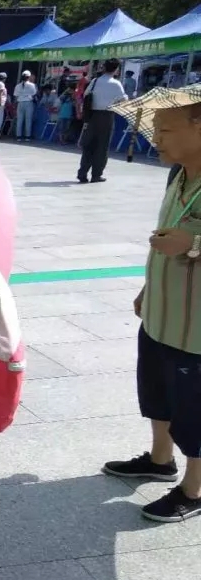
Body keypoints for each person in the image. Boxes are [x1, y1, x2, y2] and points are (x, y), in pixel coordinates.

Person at [104, 102, 201, 522]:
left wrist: (192, 244)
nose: (154, 138)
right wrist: (148, 287)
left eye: (166, 129)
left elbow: (184, 240)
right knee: (157, 389)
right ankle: (161, 459)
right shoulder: (177, 174)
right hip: (163, 312)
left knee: (195, 408)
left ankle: (194, 489)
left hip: (195, 327)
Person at [77, 58, 127, 184]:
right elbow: (123, 101)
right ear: (116, 70)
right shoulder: (116, 84)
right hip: (107, 117)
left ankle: (82, 173)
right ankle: (96, 175)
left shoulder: (94, 81)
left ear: (104, 68)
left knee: (88, 145)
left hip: (92, 116)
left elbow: (86, 96)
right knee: (102, 147)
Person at [13, 70, 37, 141]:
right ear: (29, 77)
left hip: (20, 103)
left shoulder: (17, 86)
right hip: (28, 103)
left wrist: (16, 104)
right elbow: (34, 94)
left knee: (19, 120)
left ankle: (18, 136)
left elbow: (16, 96)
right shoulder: (32, 85)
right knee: (28, 120)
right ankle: (27, 137)